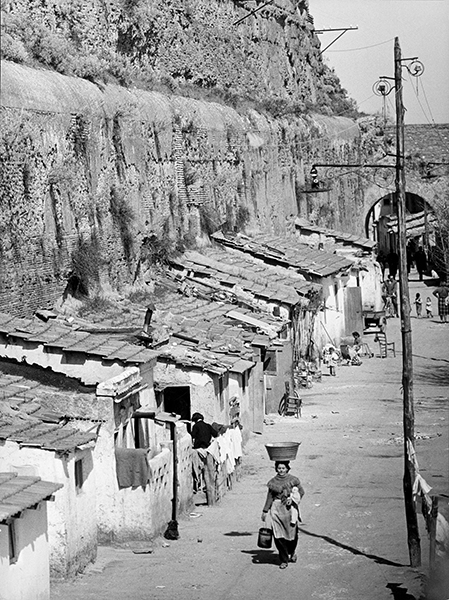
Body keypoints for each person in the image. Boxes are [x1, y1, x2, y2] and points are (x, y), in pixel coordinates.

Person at [261, 461, 305, 569]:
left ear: (287, 469)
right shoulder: (273, 482)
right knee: (278, 535)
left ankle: (292, 551)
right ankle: (284, 559)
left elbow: (301, 492)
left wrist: (293, 500)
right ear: (276, 469)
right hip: (276, 509)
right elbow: (270, 497)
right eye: (279, 468)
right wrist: (265, 511)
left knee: (292, 535)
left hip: (290, 510)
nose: (281, 470)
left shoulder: (293, 480)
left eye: (283, 468)